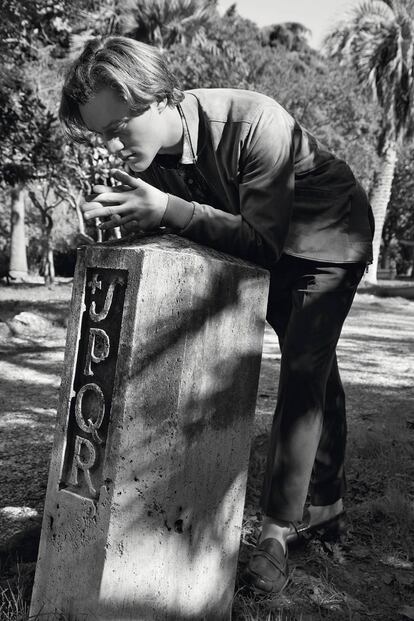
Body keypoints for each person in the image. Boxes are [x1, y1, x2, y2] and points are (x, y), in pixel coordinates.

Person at [59, 35, 374, 595]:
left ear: (155, 96)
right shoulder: (152, 153)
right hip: (269, 246)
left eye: (115, 128)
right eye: (98, 134)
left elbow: (260, 240)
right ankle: (326, 505)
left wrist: (167, 208)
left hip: (327, 239)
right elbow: (181, 223)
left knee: (304, 369)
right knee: (318, 370)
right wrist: (120, 218)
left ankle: (278, 530)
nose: (108, 145)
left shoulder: (256, 122)